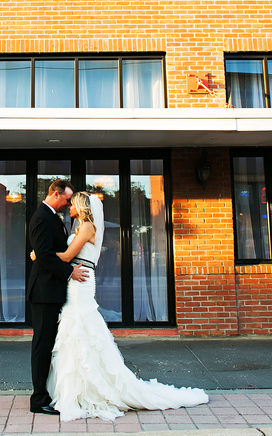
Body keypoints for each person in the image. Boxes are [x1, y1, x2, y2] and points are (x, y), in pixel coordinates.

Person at [38, 191, 208, 421]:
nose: (69, 206)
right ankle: (76, 389)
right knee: (75, 332)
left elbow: (67, 256)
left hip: (81, 284)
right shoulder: (80, 226)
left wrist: (39, 255)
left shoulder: (87, 227)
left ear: (81, 206)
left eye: (72, 203)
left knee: (81, 329)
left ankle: (91, 388)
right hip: (76, 281)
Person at [27, 179, 90, 415]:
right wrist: (69, 272)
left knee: (49, 344)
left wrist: (44, 256)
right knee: (42, 346)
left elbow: (47, 252)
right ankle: (38, 399)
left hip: (52, 291)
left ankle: (47, 392)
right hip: (43, 292)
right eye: (66, 199)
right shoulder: (42, 217)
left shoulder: (54, 217)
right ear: (55, 194)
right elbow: (44, 254)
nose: (68, 203)